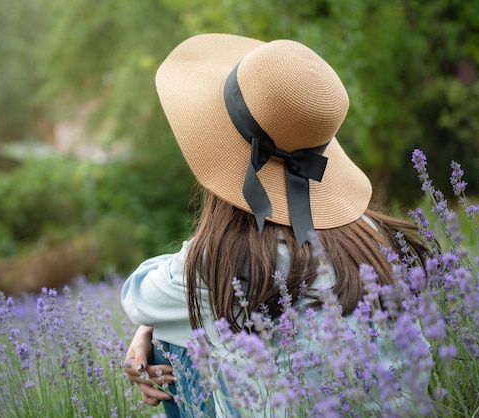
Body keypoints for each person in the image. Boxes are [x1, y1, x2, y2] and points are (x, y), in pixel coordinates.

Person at [121, 33, 430, 417]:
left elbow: (138, 294)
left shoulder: (221, 263)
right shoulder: (376, 238)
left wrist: (150, 329)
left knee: (173, 342)